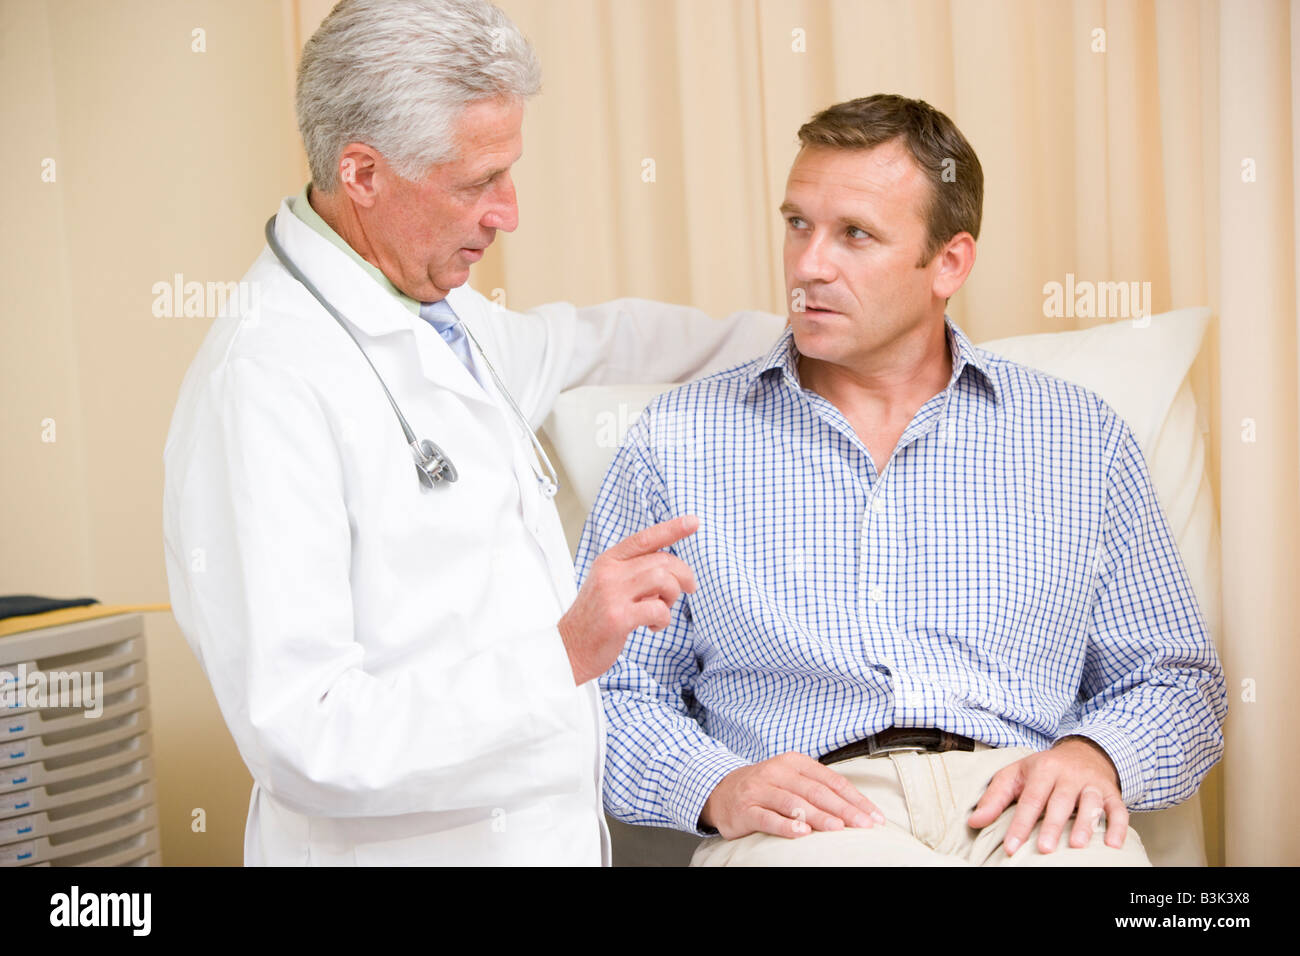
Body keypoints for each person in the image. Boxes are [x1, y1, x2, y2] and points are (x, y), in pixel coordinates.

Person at [162, 0, 781, 866]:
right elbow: (304, 735)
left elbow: (602, 339)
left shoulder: (437, 322)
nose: (508, 212)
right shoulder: (265, 384)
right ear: (364, 173)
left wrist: (807, 339)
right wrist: (563, 654)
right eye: (475, 182)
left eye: (509, 172)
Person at [576, 94, 1228, 866]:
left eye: (855, 234)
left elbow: (1177, 678)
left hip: (1023, 801)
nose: (809, 264)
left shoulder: (1082, 437)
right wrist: (715, 785)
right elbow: (602, 690)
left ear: (948, 262)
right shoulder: (675, 442)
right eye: (798, 224)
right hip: (810, 816)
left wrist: (1098, 754)